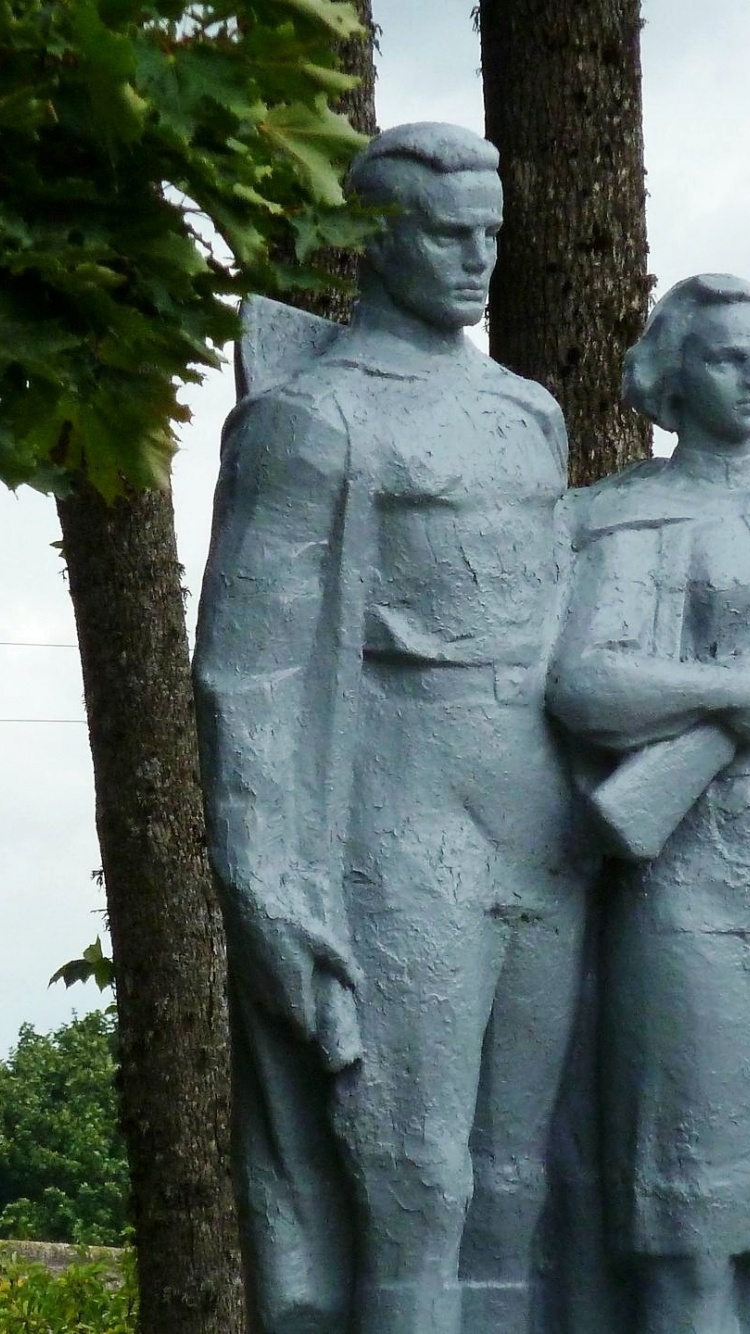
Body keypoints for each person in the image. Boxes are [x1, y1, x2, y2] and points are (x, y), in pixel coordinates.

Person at [193, 122, 592, 1334]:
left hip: (540, 822)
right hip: (399, 820)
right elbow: (247, 678)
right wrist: (269, 887)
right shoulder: (315, 419)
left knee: (519, 1180)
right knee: (416, 1177)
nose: (478, 258)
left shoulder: (530, 412)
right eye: (448, 233)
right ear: (377, 239)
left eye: (492, 233)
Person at [547, 273, 750, 1334]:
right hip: (693, 886)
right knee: (695, 1225)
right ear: (675, 375)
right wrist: (735, 695)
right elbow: (589, 683)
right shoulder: (635, 511)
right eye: (728, 356)